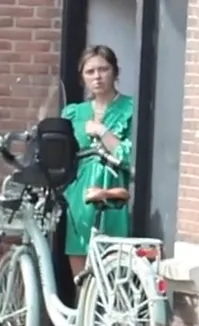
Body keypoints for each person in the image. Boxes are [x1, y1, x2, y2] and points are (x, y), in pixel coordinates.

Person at [62, 44, 134, 280]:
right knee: (79, 254)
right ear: (82, 77)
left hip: (112, 183)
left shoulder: (130, 108)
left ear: (115, 72)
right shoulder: (74, 112)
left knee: (114, 256)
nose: (97, 76)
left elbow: (128, 155)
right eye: (90, 71)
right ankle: (83, 305)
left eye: (103, 69)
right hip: (79, 190)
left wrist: (102, 131)